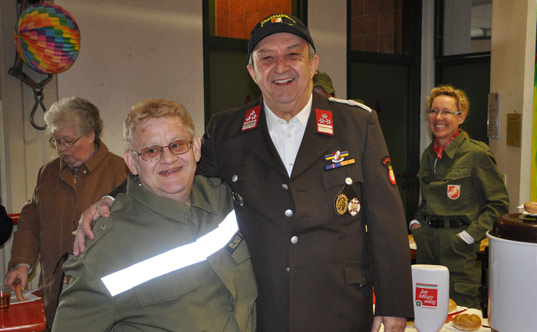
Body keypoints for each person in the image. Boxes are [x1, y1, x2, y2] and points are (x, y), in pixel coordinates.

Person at [75, 14, 413, 332]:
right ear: (252, 71)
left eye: (293, 55)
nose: (280, 67)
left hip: (340, 307)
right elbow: (171, 168)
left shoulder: (357, 124)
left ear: (313, 64)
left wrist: (394, 300)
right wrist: (110, 198)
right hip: (264, 308)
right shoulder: (228, 130)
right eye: (266, 58)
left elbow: (387, 218)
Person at [52, 99, 256, 332]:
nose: (168, 158)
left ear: (196, 148)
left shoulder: (225, 200)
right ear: (132, 162)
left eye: (177, 145)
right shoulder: (104, 253)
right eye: (151, 151)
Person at [4, 96, 129, 329]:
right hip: (56, 292)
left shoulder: (121, 172)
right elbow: (30, 224)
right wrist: (21, 264)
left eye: (69, 141)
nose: (62, 149)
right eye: (57, 141)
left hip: (103, 296)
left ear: (91, 135)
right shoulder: (47, 174)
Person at [410, 85, 509, 309]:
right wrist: (416, 223)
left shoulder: (477, 154)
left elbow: (499, 204)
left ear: (461, 117)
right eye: (434, 111)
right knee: (426, 308)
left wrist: (468, 236)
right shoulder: (429, 154)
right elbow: (427, 200)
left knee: (461, 312)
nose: (438, 118)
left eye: (447, 112)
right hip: (427, 244)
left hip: (458, 247)